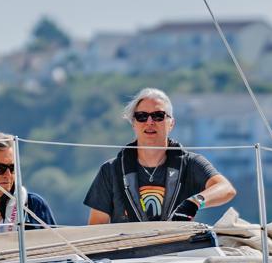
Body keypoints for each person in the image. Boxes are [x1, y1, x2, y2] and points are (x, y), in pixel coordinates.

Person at [85, 88, 236, 224]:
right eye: (142, 116)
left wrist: (195, 202)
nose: (150, 122)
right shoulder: (111, 170)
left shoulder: (190, 163)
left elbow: (226, 189)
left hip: (176, 245)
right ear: (133, 123)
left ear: (171, 123)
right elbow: (96, 226)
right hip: (127, 246)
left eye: (158, 116)